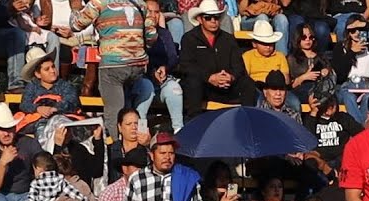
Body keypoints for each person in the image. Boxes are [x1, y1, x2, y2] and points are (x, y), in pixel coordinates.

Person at [71, 0, 157, 143]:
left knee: (114, 111)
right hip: (138, 66)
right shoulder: (140, 3)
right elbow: (152, 37)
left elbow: (76, 25)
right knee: (132, 109)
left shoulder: (98, 2)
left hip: (114, 65)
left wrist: (75, 9)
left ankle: (117, 149)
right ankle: (138, 143)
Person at [177, 0, 256, 118]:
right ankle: (194, 123)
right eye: (208, 18)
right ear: (200, 19)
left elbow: (238, 65)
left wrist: (231, 77)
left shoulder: (228, 39)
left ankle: (249, 120)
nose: (213, 21)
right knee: (192, 82)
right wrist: (209, 78)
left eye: (216, 17)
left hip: (227, 86)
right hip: (204, 87)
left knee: (247, 83)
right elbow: (186, 66)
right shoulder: (189, 39)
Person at [132, 0, 184, 133]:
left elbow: (173, 57)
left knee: (174, 89)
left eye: (156, 12)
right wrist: (151, 72)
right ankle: (141, 132)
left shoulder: (164, 33)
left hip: (162, 79)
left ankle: (179, 130)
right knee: (146, 88)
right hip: (141, 78)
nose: (153, 16)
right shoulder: (136, 32)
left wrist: (165, 68)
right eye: (150, 12)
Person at [23, 150, 92, 201]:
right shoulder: (60, 179)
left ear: (38, 169)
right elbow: (71, 191)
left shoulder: (35, 183)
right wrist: (84, 200)